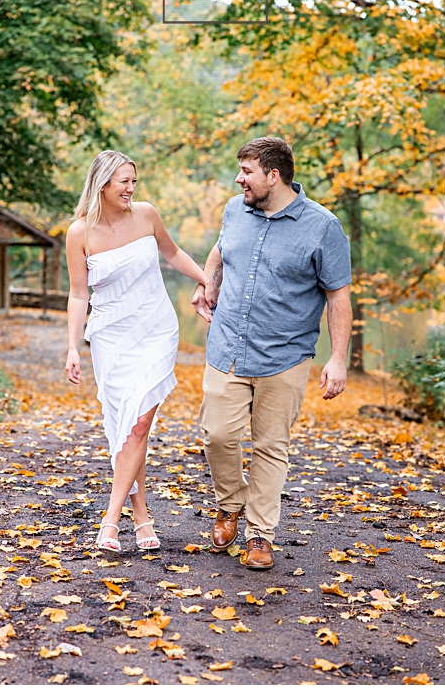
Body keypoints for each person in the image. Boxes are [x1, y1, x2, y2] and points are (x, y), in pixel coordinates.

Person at [191, 137, 351, 570]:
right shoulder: (235, 209)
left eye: (247, 172)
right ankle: (230, 503)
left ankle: (260, 535)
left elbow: (338, 295)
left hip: (285, 354)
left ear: (273, 176)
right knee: (217, 434)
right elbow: (221, 251)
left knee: (270, 446)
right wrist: (208, 282)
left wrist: (338, 359)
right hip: (228, 346)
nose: (239, 179)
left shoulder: (322, 227)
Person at [64, 150, 211, 552]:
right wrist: (72, 347)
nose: (131, 188)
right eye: (124, 182)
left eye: (134, 181)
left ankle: (110, 521)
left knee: (140, 421)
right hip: (110, 336)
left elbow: (174, 253)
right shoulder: (79, 233)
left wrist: (207, 283)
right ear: (103, 184)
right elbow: (79, 295)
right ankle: (142, 519)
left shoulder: (146, 214)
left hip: (155, 328)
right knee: (127, 426)